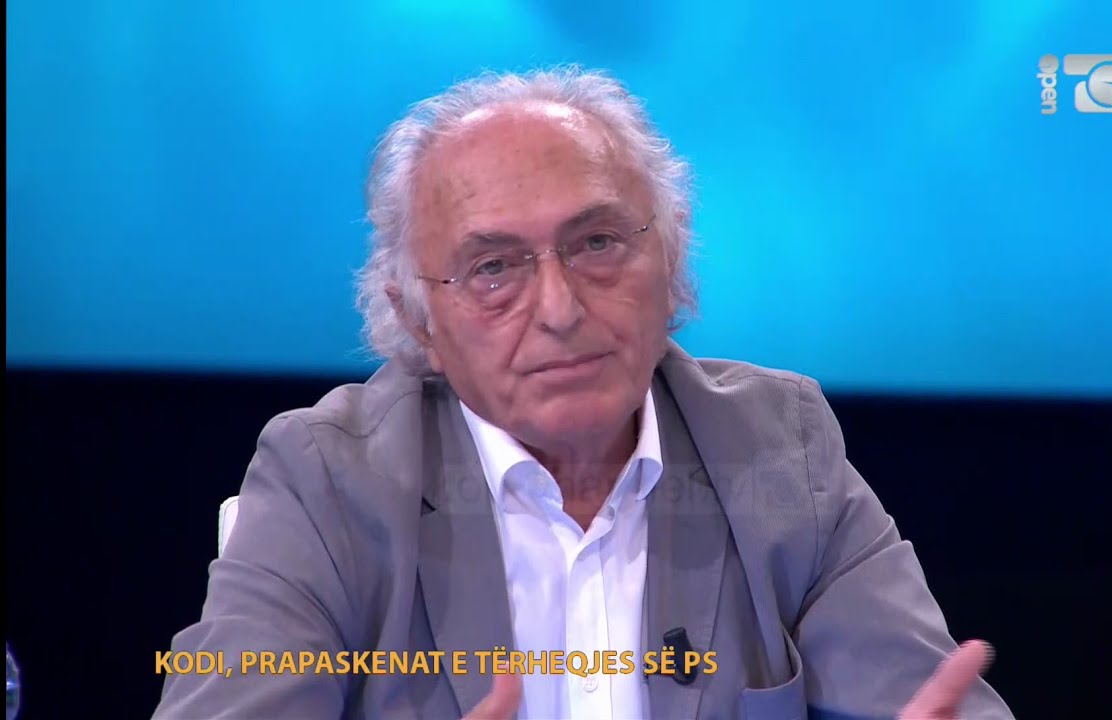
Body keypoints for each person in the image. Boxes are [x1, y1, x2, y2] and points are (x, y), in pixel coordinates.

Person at [153, 66, 1014, 720]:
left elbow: (933, 701)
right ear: (417, 319)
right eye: (494, 269)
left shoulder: (777, 449)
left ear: (669, 261)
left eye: (598, 243)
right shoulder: (326, 481)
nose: (560, 310)